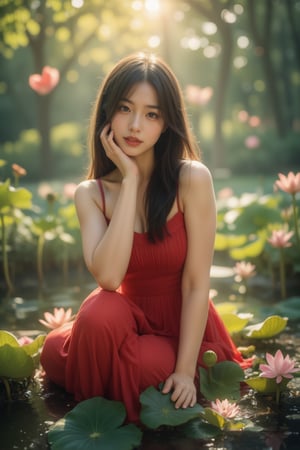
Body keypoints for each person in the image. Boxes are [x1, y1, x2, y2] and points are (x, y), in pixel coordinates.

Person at [40, 52, 251, 423]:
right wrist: (131, 179)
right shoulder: (91, 194)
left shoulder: (192, 180)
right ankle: (105, 383)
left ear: (166, 123)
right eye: (125, 108)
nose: (135, 125)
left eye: (151, 114)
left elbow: (196, 283)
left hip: (182, 330)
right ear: (108, 111)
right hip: (127, 321)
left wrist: (185, 370)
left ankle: (104, 386)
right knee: (68, 338)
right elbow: (109, 279)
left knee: (142, 370)